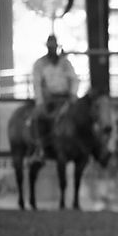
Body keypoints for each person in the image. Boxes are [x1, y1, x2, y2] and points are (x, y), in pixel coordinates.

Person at [29, 34, 79, 162]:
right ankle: (39, 147)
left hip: (66, 98)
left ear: (56, 47)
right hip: (49, 100)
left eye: (53, 47)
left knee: (82, 117)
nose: (52, 49)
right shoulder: (40, 64)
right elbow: (37, 84)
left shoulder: (65, 63)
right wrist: (40, 102)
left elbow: (74, 79)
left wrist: (73, 94)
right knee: (38, 118)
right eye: (50, 47)